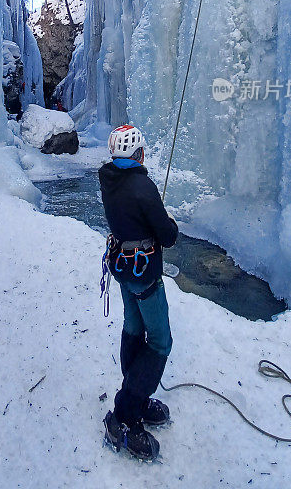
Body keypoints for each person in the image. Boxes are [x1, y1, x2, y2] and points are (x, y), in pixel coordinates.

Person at [99, 124, 178, 461]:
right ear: (138, 153)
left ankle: (135, 394)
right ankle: (126, 414)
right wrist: (166, 220)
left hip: (121, 267)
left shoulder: (109, 178)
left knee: (134, 327)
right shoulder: (143, 187)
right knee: (160, 340)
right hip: (144, 274)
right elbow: (168, 235)